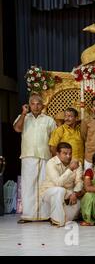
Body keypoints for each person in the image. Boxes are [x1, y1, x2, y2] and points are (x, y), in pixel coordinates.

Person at [13, 94, 57, 223]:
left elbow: (54, 139)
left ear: (42, 105)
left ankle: (46, 214)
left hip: (45, 156)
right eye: (33, 103)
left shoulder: (49, 120)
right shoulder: (24, 118)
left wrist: (54, 157)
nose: (36, 106)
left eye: (38, 104)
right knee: (28, 185)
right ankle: (28, 215)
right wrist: (23, 113)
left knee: (45, 185)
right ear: (29, 105)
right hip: (28, 156)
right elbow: (17, 128)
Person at [39, 142, 83, 227]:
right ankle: (57, 220)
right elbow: (58, 183)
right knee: (60, 190)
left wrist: (74, 193)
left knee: (78, 205)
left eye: (70, 153)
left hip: (69, 194)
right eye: (65, 153)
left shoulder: (77, 163)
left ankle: (58, 217)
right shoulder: (51, 163)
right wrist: (70, 169)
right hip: (49, 192)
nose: (68, 156)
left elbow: (79, 181)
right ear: (57, 154)